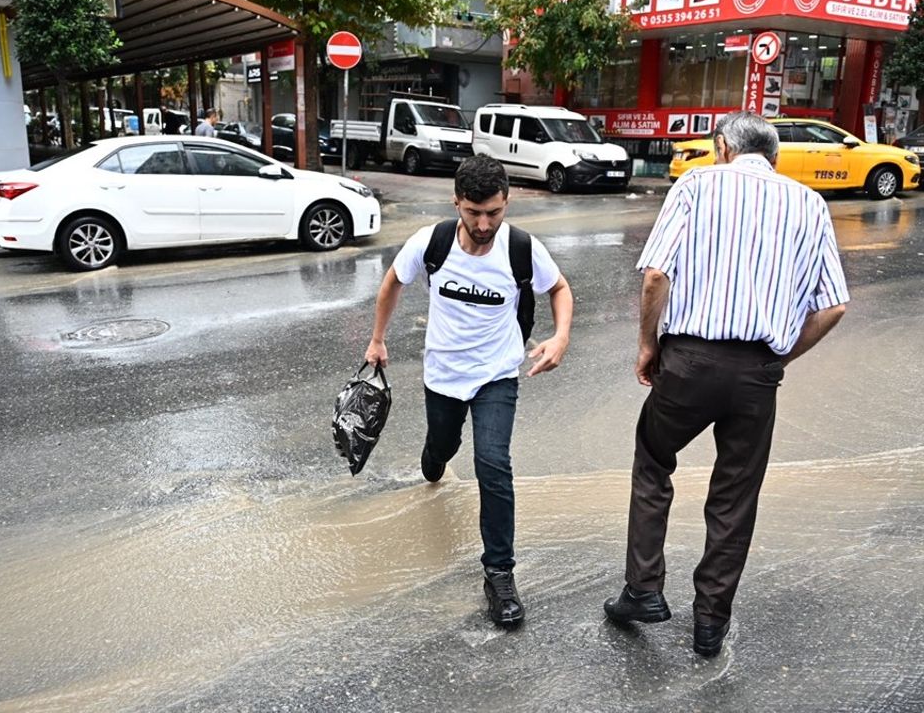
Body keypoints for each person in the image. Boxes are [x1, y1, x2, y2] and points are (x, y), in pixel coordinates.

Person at [602, 111, 849, 657]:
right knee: (735, 496)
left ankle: (644, 589)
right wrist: (780, 355)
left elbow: (656, 276)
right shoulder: (809, 203)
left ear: (722, 147)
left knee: (653, 460)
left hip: (688, 361)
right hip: (757, 373)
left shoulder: (696, 183)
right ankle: (710, 623)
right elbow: (834, 305)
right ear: (774, 156)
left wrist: (649, 346)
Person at [364, 154, 573, 628]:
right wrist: (377, 339)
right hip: (442, 373)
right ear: (456, 201)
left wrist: (560, 336)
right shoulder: (433, 242)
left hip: (496, 373)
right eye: (473, 213)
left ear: (506, 202)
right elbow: (393, 280)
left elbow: (559, 288)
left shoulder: (521, 248)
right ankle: (435, 456)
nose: (483, 224)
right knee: (443, 445)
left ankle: (499, 573)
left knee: (493, 464)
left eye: (494, 213)